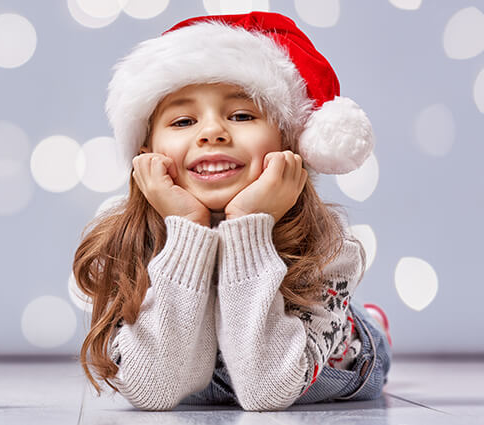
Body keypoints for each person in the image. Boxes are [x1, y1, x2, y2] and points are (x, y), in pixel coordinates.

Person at [72, 12, 392, 412]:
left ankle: (370, 324)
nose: (212, 133)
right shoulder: (122, 246)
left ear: (291, 146)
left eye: (242, 115)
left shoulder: (330, 249)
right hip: (198, 372)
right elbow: (153, 389)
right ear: (146, 156)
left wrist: (247, 225)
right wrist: (187, 228)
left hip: (318, 357)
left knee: (362, 337)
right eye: (184, 120)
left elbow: (267, 392)